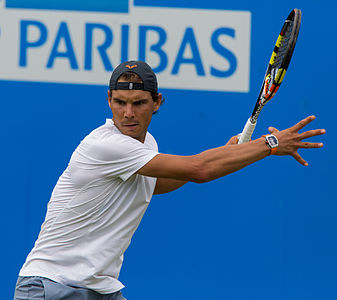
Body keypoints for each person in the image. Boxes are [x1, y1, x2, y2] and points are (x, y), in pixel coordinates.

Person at [14, 60, 325, 300]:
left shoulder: (146, 146)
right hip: (52, 287)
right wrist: (269, 145)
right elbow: (199, 170)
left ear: (157, 102)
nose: (128, 113)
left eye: (138, 103)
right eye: (120, 102)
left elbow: (159, 184)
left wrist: (232, 152)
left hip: (100, 289)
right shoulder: (104, 144)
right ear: (109, 100)